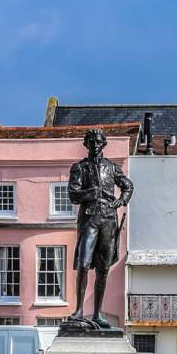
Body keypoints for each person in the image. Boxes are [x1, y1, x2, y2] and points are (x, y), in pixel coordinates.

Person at [67, 129, 133, 328]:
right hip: (89, 219)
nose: (95, 145)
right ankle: (79, 310)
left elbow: (128, 186)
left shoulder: (112, 168)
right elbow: (73, 195)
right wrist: (92, 192)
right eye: (91, 142)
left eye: (98, 142)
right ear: (86, 145)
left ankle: (97, 314)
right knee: (84, 264)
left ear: (103, 144)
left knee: (103, 268)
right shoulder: (80, 168)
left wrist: (121, 200)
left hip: (108, 220)